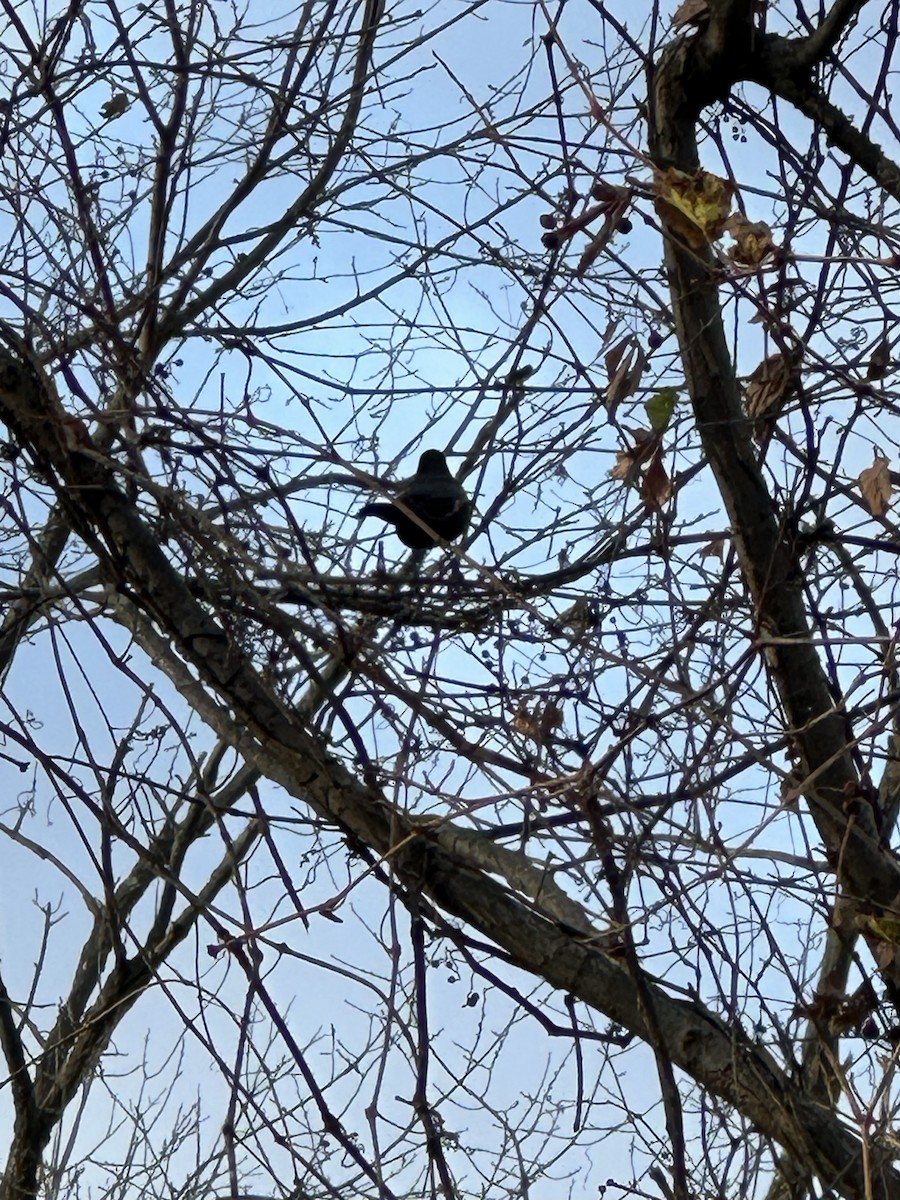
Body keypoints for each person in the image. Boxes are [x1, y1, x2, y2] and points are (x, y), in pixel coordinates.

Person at [358, 449, 471, 549]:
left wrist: (370, 509)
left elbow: (396, 512)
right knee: (407, 509)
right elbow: (398, 512)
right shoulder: (452, 487)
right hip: (432, 531)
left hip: (422, 532)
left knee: (406, 509)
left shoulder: (417, 488)